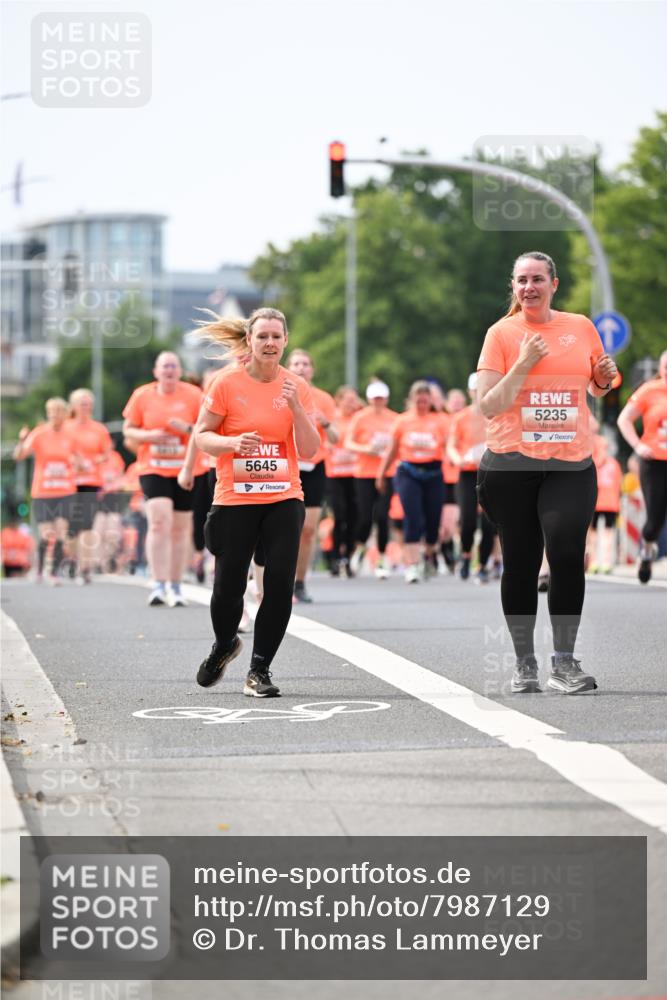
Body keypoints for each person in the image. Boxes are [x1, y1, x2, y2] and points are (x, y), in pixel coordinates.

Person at [476, 250, 617, 695]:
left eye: (537, 279)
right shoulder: (501, 333)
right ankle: (523, 663)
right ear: (513, 287)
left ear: (554, 284)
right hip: (511, 463)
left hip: (569, 464)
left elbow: (594, 384)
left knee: (566, 551)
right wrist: (523, 361)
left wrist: (604, 378)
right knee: (519, 563)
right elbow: (489, 404)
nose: (529, 287)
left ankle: (564, 662)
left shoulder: (579, 327)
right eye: (521, 280)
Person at [193, 307, 318, 698]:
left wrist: (296, 407)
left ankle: (259, 669)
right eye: (262, 336)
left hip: (284, 496)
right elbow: (202, 436)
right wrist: (231, 443)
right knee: (227, 588)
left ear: (285, 340)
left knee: (279, 584)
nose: (269, 343)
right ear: (249, 340)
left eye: (276, 337)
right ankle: (224, 643)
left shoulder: (295, 385)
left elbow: (311, 450)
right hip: (235, 498)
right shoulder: (226, 383)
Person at [122, 352, 203, 606]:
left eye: (173, 366)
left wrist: (186, 430)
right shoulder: (142, 395)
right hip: (152, 466)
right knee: (159, 520)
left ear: (179, 371)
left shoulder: (193, 395)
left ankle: (176, 585)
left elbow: (206, 429)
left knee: (180, 528)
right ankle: (158, 584)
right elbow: (128, 430)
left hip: (186, 468)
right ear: (156, 372)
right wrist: (149, 436)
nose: (169, 370)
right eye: (164, 366)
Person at [376, 381, 447, 583]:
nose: (422, 404)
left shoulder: (440, 420)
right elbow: (392, 449)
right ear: (412, 400)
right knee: (412, 516)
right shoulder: (402, 421)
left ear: (430, 402)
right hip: (408, 471)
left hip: (433, 472)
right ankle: (412, 565)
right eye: (418, 400)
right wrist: (381, 474)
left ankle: (429, 553)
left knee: (433, 520)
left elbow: (450, 445)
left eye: (426, 400)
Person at [286, 349, 337, 603]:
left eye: (305, 364)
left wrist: (326, 423)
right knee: (281, 528)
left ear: (312, 370)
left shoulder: (323, 398)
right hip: (285, 465)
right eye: (295, 363)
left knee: (307, 530)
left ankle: (300, 582)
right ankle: (269, 578)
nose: (301, 368)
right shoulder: (279, 392)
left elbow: (337, 439)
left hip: (314, 467)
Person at [13, 398, 77, 584]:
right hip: (43, 491)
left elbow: (79, 458)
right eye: (52, 411)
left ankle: (53, 571)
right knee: (46, 533)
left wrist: (79, 464)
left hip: (65, 490)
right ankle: (40, 568)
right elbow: (19, 455)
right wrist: (22, 440)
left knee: (61, 532)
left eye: (59, 411)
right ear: (48, 413)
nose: (55, 415)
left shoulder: (71, 435)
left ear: (65, 414)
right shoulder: (39, 434)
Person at [617, 350, 667, 583]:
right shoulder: (650, 390)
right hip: (654, 460)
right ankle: (647, 550)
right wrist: (637, 446)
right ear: (661, 369)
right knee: (655, 518)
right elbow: (624, 419)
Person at [345, 380, 398, 578]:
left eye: (381, 398)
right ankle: (359, 548)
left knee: (383, 516)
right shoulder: (360, 418)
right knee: (365, 516)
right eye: (375, 398)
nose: (378, 402)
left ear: (386, 399)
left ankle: (382, 557)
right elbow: (349, 443)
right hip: (364, 473)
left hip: (387, 473)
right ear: (369, 399)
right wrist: (366, 448)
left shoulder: (394, 418)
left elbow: (399, 444)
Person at [447, 373, 496, 582]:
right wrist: (457, 458)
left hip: (492, 473)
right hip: (467, 473)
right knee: (467, 520)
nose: (479, 394)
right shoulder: (460, 418)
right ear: (470, 392)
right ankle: (466, 556)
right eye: (476, 390)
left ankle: (483, 564)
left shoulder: (496, 413)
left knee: (489, 522)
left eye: (483, 389)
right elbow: (450, 444)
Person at [65, 388, 112, 583]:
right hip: (68, 482)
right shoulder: (66, 427)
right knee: (70, 526)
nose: (86, 407)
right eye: (82, 403)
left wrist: (93, 462)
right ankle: (73, 559)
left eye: (88, 403)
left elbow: (106, 453)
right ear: (74, 406)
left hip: (91, 481)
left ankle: (84, 567)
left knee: (86, 524)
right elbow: (59, 451)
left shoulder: (99, 429)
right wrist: (73, 461)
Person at [324, 385, 362, 576]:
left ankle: (348, 555)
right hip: (335, 473)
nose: (351, 404)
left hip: (355, 473)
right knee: (339, 516)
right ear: (338, 401)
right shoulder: (333, 418)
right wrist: (327, 445)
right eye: (347, 400)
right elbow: (323, 437)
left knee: (354, 517)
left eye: (354, 400)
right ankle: (335, 556)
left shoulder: (358, 419)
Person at [587, 436, 622, 573]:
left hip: (599, 503)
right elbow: (619, 485)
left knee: (596, 534)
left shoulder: (592, 463)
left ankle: (596, 562)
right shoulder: (614, 464)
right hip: (609, 504)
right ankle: (602, 562)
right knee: (604, 533)